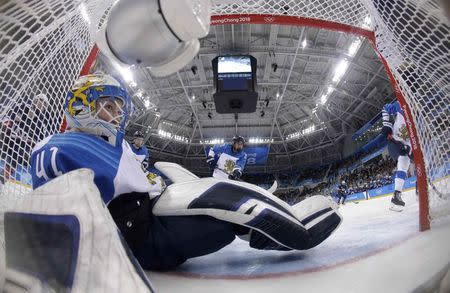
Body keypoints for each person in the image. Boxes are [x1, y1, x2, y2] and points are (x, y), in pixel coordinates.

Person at [30, 74, 342, 270]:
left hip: (149, 214)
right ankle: (285, 233)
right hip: (139, 237)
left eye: (118, 106)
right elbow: (55, 217)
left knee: (222, 205)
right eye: (108, 106)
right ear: (81, 107)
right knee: (222, 202)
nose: (117, 114)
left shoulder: (116, 144)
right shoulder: (62, 146)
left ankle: (263, 235)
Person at [1, 94, 49, 184]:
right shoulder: (22, 107)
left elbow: (42, 139)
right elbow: (7, 116)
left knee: (16, 155)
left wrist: (33, 142)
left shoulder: (41, 121)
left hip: (21, 143)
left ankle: (3, 177)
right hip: (9, 137)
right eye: (40, 101)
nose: (42, 105)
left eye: (44, 104)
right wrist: (8, 123)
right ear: (35, 100)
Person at [381, 100, 413, 210]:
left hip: (408, 144)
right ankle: (397, 194)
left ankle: (397, 195)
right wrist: (386, 125)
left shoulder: (419, 116)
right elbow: (385, 107)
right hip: (394, 141)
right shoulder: (401, 105)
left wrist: (409, 149)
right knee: (403, 163)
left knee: (408, 163)